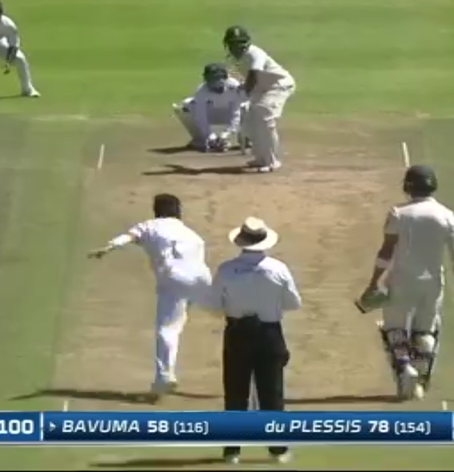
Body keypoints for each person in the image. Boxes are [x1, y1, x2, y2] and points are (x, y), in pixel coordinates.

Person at [357, 165, 454, 401]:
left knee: (394, 330)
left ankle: (405, 367)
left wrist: (374, 282)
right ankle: (419, 375)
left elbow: (386, 252)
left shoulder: (398, 213)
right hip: (433, 284)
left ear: (408, 186)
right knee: (425, 331)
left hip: (402, 281)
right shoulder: (447, 215)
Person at [87, 194, 212, 397]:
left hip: (173, 280)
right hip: (201, 278)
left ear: (156, 210)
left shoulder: (149, 226)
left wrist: (109, 247)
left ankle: (164, 377)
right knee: (230, 314)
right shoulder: (191, 234)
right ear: (178, 211)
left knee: (168, 329)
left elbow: (128, 237)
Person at [205, 217, 302, 465]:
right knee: (272, 393)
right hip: (269, 332)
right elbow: (293, 303)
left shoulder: (226, 270)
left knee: (235, 393)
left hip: (237, 331)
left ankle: (232, 451)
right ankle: (277, 450)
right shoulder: (278, 269)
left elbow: (214, 304)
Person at [223, 26, 296, 173]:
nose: (237, 47)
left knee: (264, 117)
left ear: (246, 43)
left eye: (240, 43)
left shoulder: (255, 53)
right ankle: (260, 158)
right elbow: (248, 76)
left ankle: (272, 161)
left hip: (279, 85)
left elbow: (254, 73)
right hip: (262, 87)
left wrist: (245, 91)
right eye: (233, 44)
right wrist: (243, 87)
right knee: (252, 120)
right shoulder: (233, 58)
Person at [172, 63, 249, 152]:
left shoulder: (234, 86)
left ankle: (245, 137)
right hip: (211, 115)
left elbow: (236, 112)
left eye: (216, 78)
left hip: (228, 113)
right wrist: (210, 135)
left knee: (248, 106)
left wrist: (227, 134)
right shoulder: (202, 91)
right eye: (209, 78)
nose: (212, 82)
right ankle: (201, 139)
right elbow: (201, 116)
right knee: (185, 106)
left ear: (224, 78)